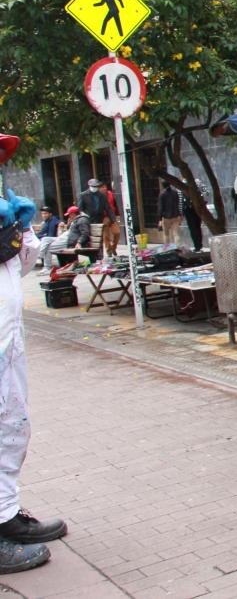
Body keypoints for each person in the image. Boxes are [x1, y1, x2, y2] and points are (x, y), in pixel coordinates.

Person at [0, 134, 67, 573]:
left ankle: (5, 515)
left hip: (7, 343)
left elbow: (19, 267)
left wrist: (21, 233)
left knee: (11, 428)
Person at [39, 206, 91, 271]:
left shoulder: (82, 220)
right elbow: (72, 230)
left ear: (73, 214)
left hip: (69, 240)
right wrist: (69, 224)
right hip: (64, 237)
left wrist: (79, 242)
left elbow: (85, 233)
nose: (69, 216)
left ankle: (46, 267)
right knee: (45, 239)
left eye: (69, 215)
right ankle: (40, 255)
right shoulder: (76, 219)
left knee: (48, 247)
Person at [98, 181, 120, 257]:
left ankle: (113, 247)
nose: (103, 189)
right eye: (101, 187)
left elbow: (115, 204)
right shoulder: (98, 196)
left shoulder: (110, 194)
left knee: (117, 232)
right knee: (106, 235)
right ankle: (108, 250)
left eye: (104, 187)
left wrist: (117, 214)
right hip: (104, 217)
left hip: (112, 216)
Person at [157, 180, 183, 246]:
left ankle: (167, 248)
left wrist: (160, 219)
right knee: (176, 234)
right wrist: (180, 215)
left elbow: (161, 207)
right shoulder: (175, 193)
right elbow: (178, 204)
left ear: (163, 186)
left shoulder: (162, 194)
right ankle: (178, 247)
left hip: (166, 217)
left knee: (166, 234)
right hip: (176, 216)